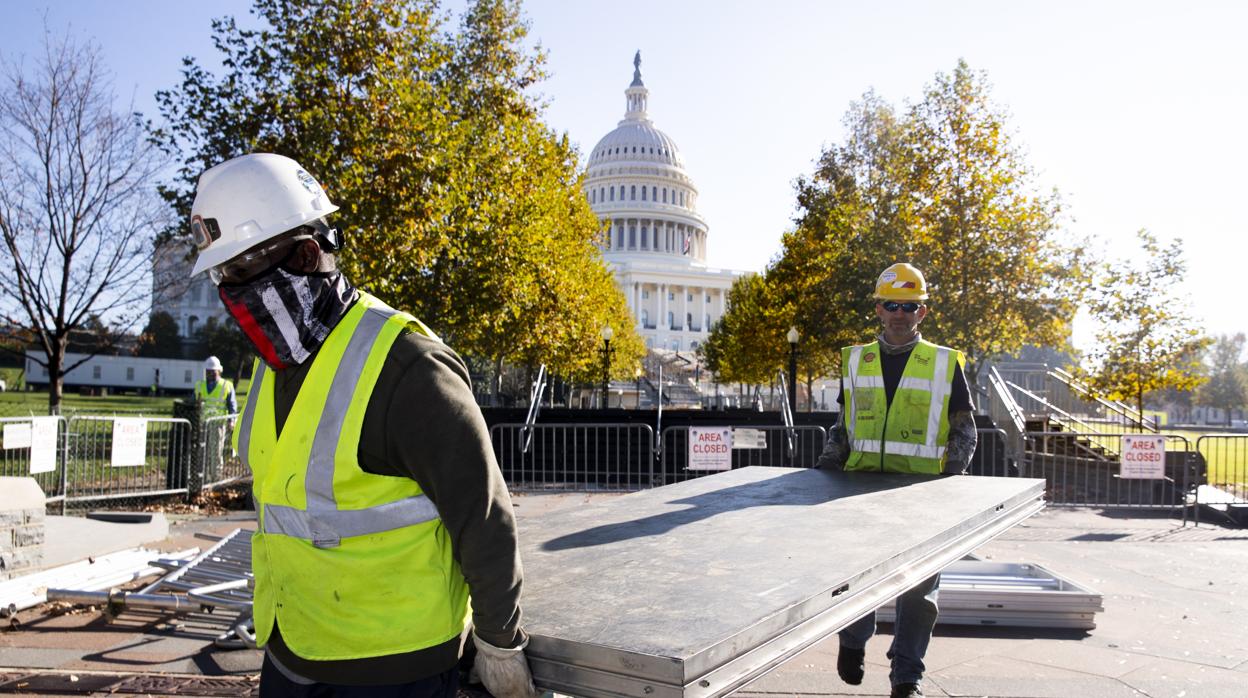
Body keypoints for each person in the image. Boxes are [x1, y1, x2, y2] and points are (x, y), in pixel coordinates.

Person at [189, 153, 537, 698]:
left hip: (395, 669)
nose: (230, 292)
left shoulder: (407, 366)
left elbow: (483, 514)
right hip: (292, 651)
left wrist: (498, 641)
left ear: (307, 255)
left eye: (239, 272)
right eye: (222, 275)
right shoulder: (270, 368)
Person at [816, 262, 978, 698]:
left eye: (910, 306)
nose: (900, 314)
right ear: (878, 309)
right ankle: (852, 640)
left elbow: (964, 430)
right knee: (856, 577)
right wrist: (825, 471)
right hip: (858, 492)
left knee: (919, 594)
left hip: (921, 495)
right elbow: (844, 426)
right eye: (892, 305)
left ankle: (907, 676)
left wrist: (949, 481)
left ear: (922, 312)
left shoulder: (944, 363)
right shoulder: (856, 359)